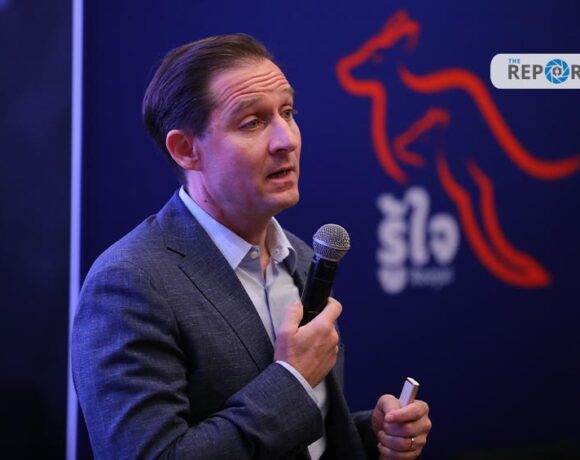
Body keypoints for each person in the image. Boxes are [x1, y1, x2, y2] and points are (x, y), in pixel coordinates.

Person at [71, 33, 431, 460]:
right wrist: (293, 379)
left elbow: (299, 439)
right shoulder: (129, 282)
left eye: (287, 112)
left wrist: (369, 437)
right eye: (253, 123)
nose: (286, 140)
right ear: (186, 149)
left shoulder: (299, 257)